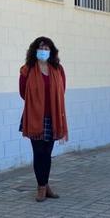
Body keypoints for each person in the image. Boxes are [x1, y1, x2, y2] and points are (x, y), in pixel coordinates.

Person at [19, 36, 68, 202]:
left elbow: (62, 90)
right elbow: (22, 92)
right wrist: (37, 103)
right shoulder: (27, 69)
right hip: (35, 117)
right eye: (41, 48)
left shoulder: (58, 69)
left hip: (53, 117)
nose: (44, 51)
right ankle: (41, 187)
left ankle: (45, 185)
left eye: (47, 49)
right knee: (38, 152)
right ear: (35, 50)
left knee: (47, 153)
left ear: (51, 51)